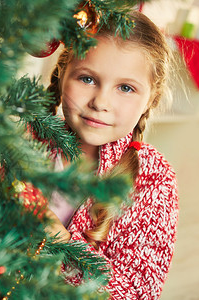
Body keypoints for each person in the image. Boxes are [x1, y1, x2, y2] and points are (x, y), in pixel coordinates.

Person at [45, 10, 179, 300]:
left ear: (150, 100)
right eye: (87, 79)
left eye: (126, 88)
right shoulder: (25, 139)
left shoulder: (153, 180)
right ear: (62, 74)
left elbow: (137, 292)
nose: (101, 102)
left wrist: (59, 241)